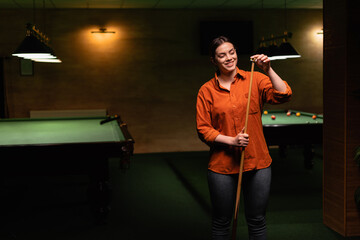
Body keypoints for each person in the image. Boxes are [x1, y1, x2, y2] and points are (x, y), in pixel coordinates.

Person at [196, 36, 292, 240]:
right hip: (222, 166)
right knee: (222, 222)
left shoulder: (255, 79)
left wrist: (268, 70)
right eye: (222, 55)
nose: (229, 58)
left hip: (258, 163)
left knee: (257, 221)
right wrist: (231, 141)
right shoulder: (206, 90)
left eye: (231, 52)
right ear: (214, 60)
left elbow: (283, 94)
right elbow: (203, 129)